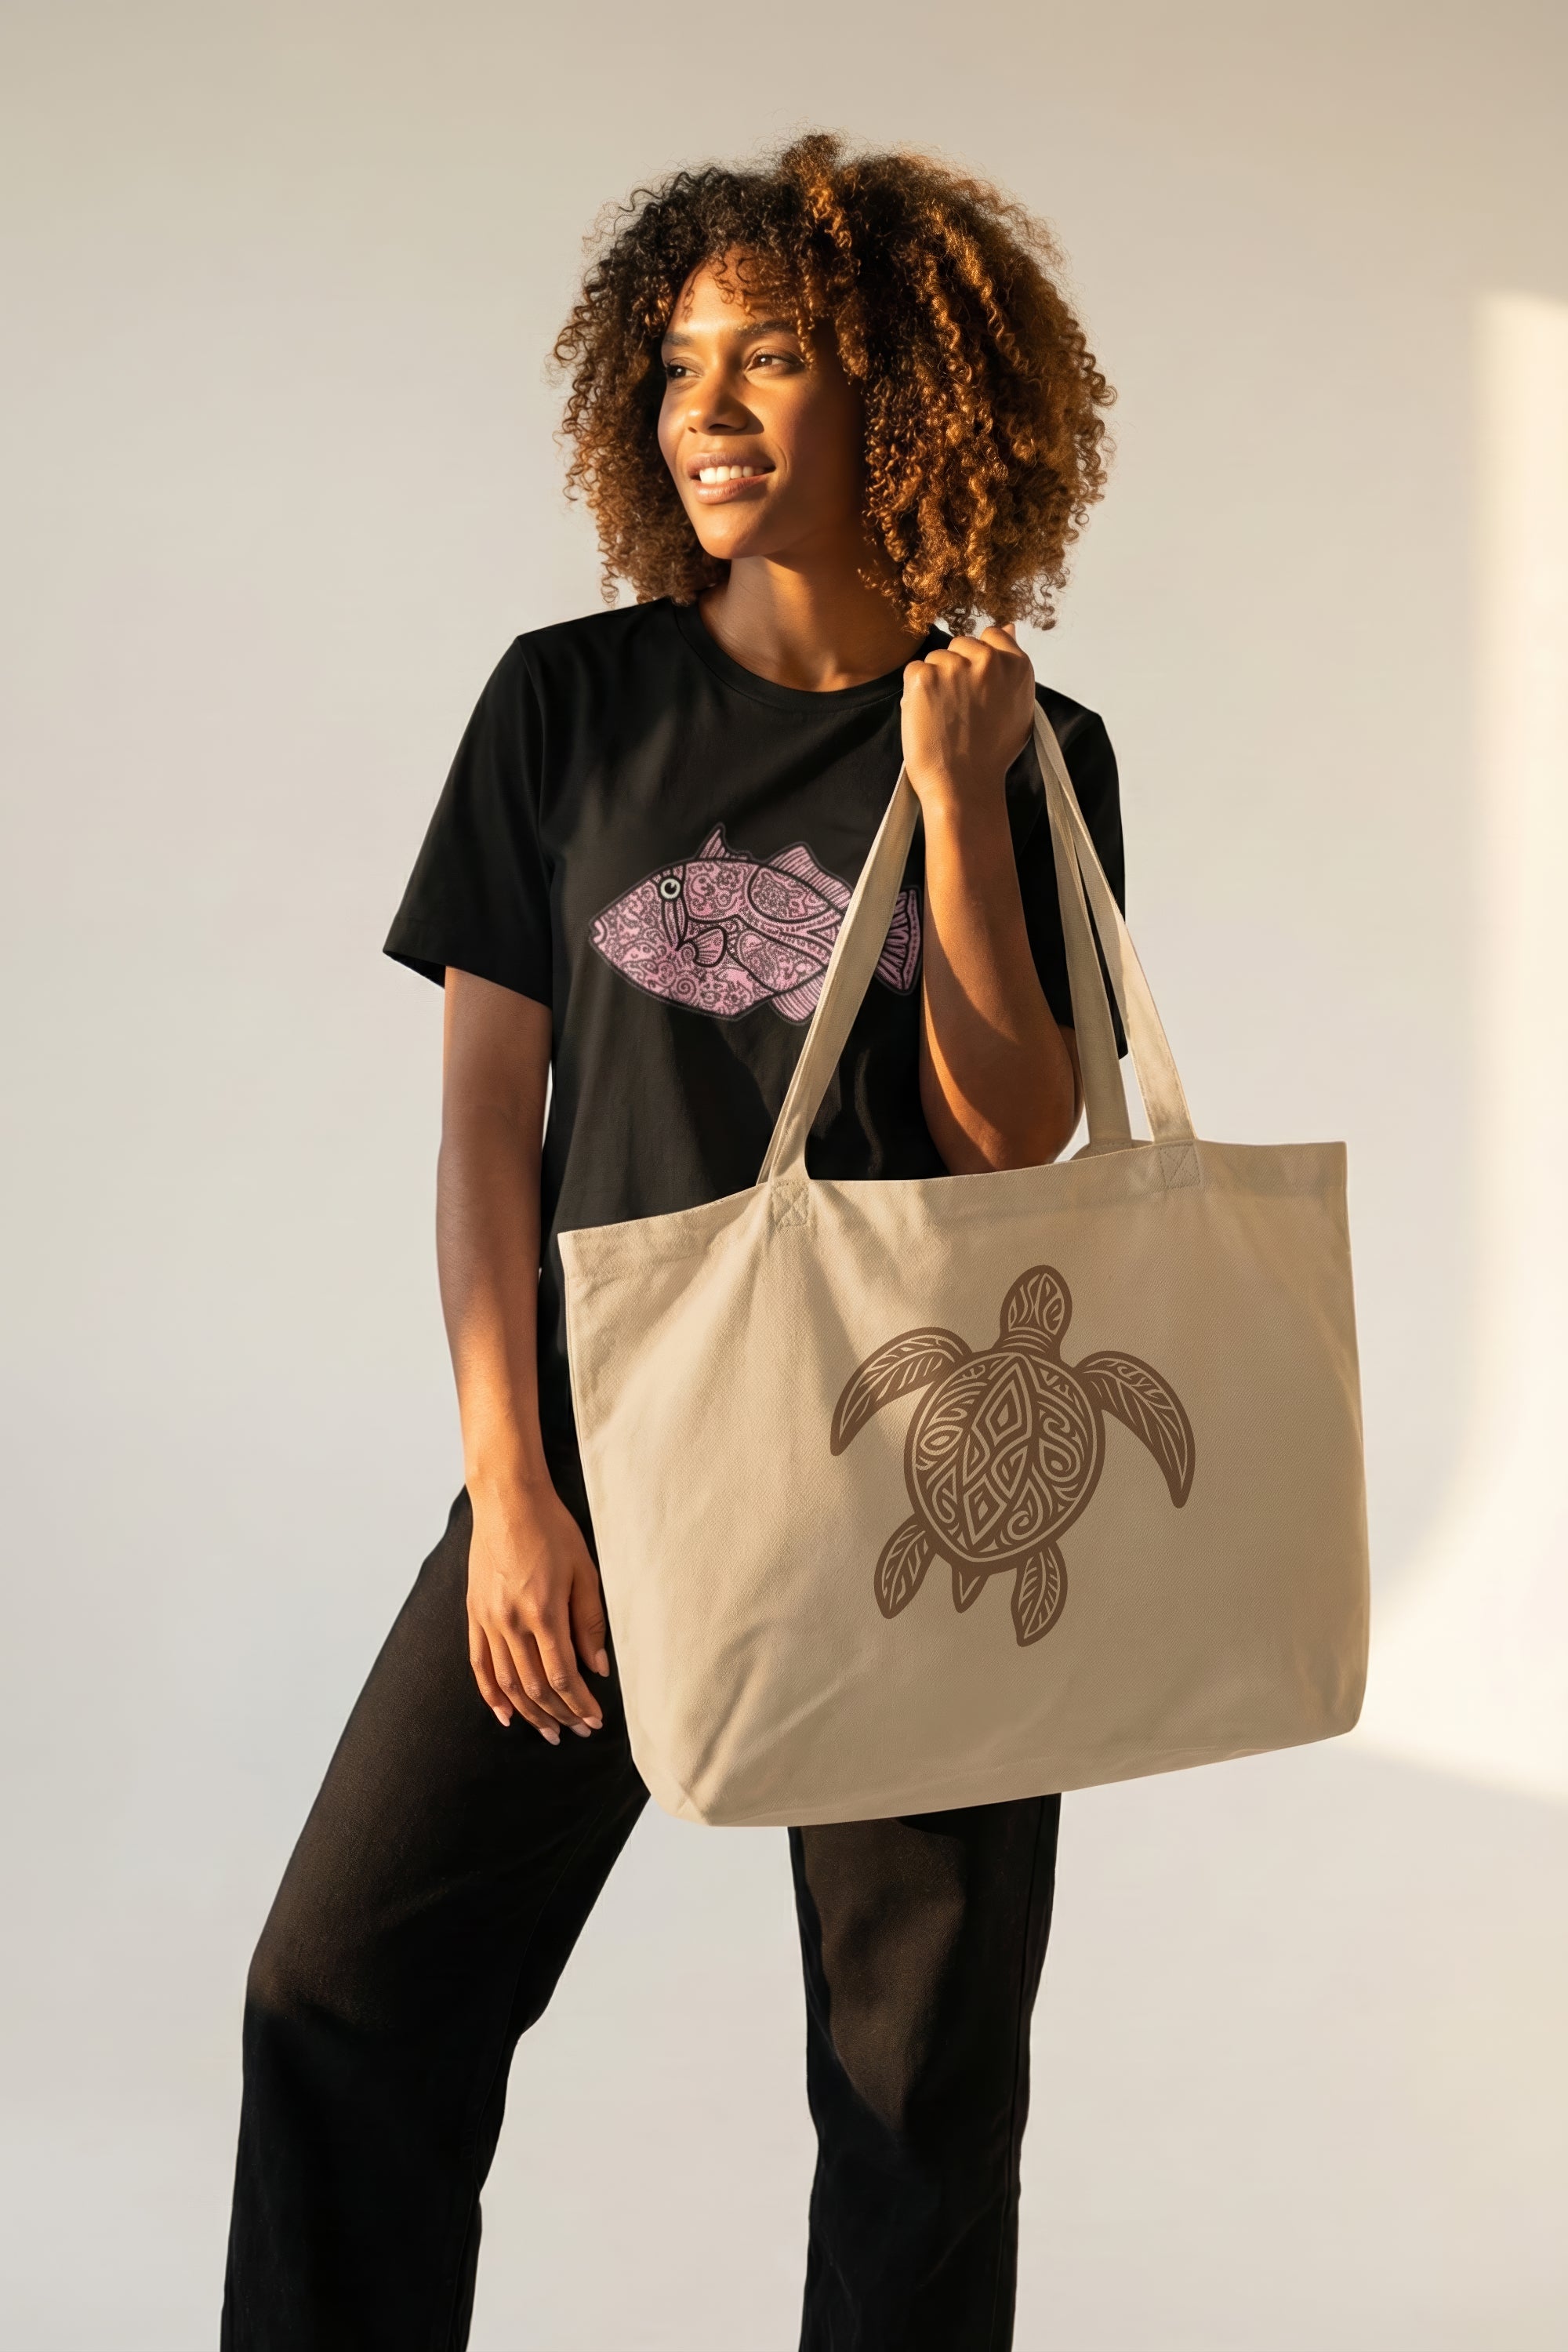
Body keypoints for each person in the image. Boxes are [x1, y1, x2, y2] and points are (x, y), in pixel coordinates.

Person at [222, 132, 1122, 2351]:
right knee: (343, 1993)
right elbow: (484, 1133)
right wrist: (512, 1494)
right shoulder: (569, 706)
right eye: (676, 362)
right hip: (607, 1479)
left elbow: (1019, 1148)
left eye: (775, 356)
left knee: (919, 2116)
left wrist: (964, 802)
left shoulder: (1032, 738)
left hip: (928, 1499)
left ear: (904, 394)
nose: (705, 407)